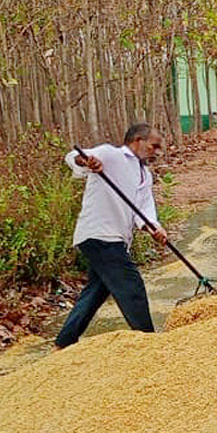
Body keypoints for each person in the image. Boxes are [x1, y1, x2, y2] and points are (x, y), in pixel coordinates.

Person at [54, 123, 168, 348]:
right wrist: (87, 161)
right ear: (137, 140)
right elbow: (74, 157)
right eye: (154, 146)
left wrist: (155, 227)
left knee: (95, 291)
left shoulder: (145, 175)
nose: (157, 152)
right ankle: (150, 343)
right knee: (131, 284)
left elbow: (144, 211)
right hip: (98, 233)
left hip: (117, 238)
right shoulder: (110, 154)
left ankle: (64, 342)